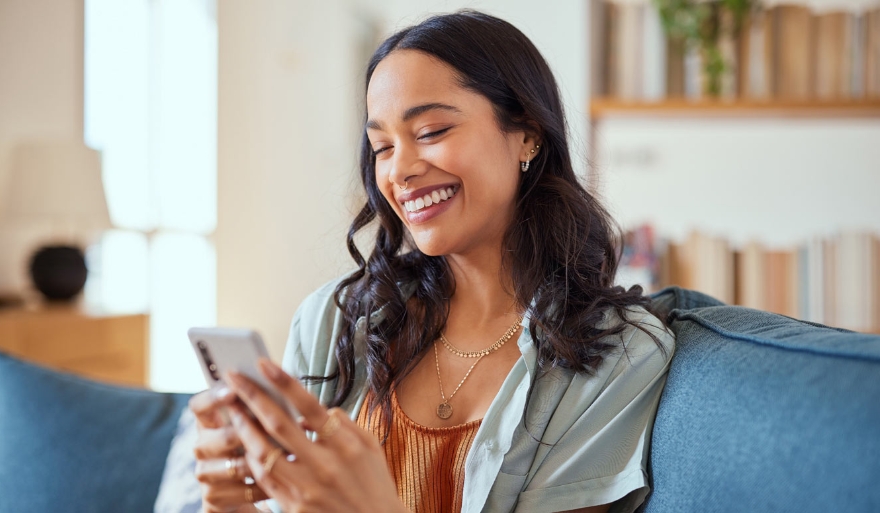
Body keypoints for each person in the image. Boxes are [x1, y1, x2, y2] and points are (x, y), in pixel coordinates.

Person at [189, 10, 675, 513]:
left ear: (527, 134)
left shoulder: (617, 355)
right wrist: (230, 506)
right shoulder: (334, 320)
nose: (400, 168)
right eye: (382, 146)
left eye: (432, 130)